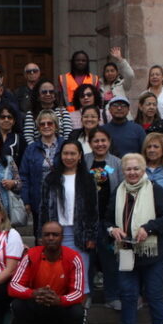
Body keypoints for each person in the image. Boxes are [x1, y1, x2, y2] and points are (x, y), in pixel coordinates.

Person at [106, 153, 163, 324]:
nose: (132, 172)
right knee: (128, 294)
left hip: (151, 252)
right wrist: (113, 230)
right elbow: (107, 220)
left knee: (154, 293)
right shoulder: (118, 192)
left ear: (143, 170)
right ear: (123, 171)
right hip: (126, 251)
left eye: (136, 168)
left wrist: (149, 228)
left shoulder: (154, 190)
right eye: (128, 169)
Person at [8, 221, 86, 324]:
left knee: (78, 311)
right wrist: (34, 293)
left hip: (60, 307)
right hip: (37, 304)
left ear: (62, 237)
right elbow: (13, 286)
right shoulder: (31, 255)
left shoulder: (74, 258)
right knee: (17, 304)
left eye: (55, 235)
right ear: (41, 238)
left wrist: (59, 300)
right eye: (47, 235)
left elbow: (78, 293)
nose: (51, 238)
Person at [39, 140, 98, 302]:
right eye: (65, 153)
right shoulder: (50, 179)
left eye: (73, 153)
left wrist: (92, 236)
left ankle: (82, 314)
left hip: (80, 235)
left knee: (81, 277)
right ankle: (61, 315)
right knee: (58, 276)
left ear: (80, 156)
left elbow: (93, 210)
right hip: (56, 235)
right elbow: (43, 208)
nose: (69, 157)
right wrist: (41, 235)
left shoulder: (87, 180)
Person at [85, 128, 122, 311]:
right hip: (87, 220)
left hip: (110, 219)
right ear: (90, 143)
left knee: (110, 260)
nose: (100, 144)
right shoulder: (84, 161)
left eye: (103, 140)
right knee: (88, 260)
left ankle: (112, 295)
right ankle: (87, 295)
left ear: (109, 141)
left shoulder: (117, 163)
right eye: (96, 141)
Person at [19, 109, 62, 231]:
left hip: (61, 199)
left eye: (50, 123)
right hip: (38, 199)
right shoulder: (31, 149)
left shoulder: (65, 145)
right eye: (42, 124)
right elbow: (24, 176)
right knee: (41, 235)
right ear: (38, 127)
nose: (46, 126)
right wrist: (26, 200)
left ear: (56, 125)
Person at [22, 78, 72, 143]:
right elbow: (28, 137)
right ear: (38, 95)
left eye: (51, 92)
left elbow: (68, 135)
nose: (48, 94)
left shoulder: (63, 112)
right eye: (44, 92)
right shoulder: (31, 114)